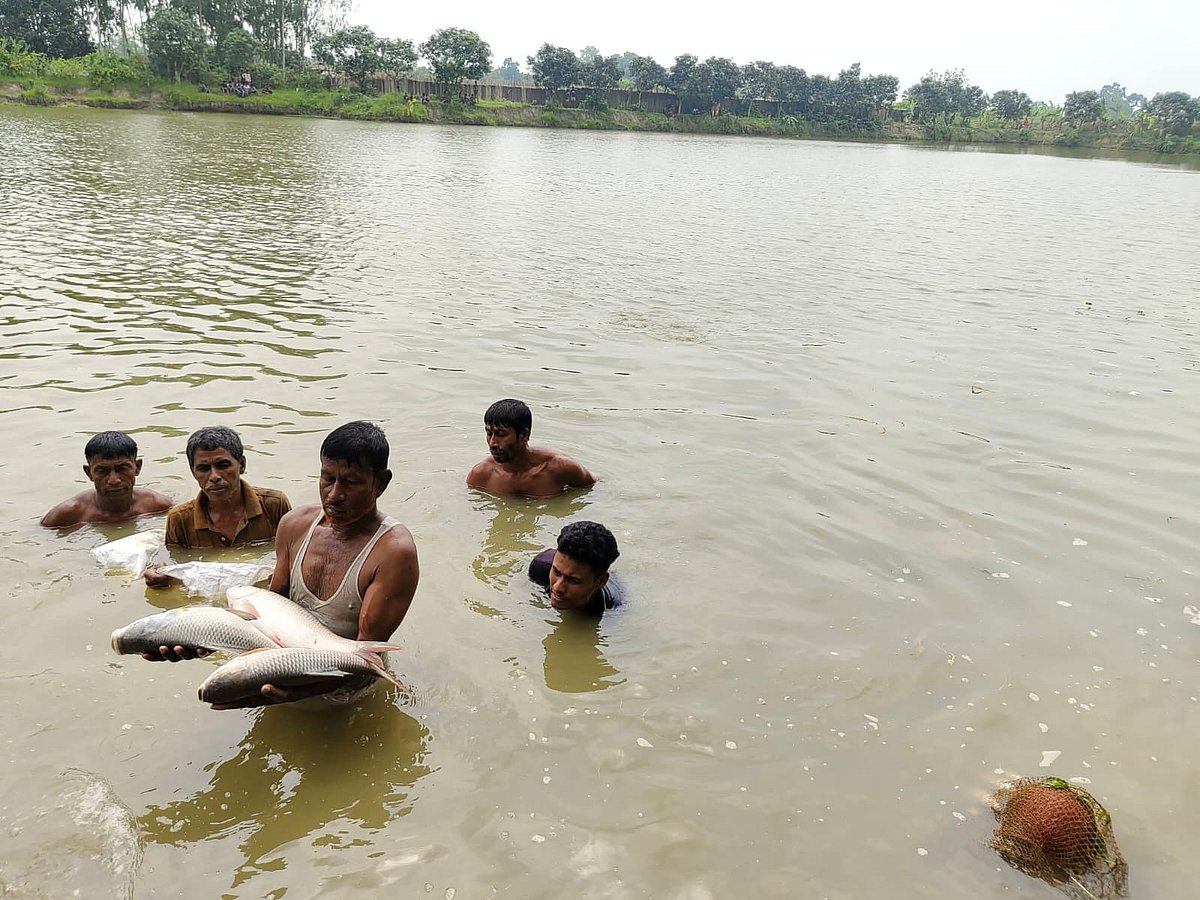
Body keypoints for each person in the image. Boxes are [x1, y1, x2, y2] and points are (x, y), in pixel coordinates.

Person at [143, 426, 291, 586]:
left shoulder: (274, 504)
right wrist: (160, 574)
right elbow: (175, 561)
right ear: (193, 472)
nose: (214, 476)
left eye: (222, 465)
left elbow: (293, 555)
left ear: (241, 465)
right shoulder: (179, 518)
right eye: (203, 468)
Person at [41, 431, 173, 527]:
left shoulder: (158, 506)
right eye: (102, 471)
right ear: (89, 473)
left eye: (122, 468)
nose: (114, 480)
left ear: (137, 467)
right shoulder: (69, 514)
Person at [467, 399, 595, 498]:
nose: (492, 443)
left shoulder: (560, 467)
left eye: (501, 434)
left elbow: (595, 488)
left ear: (524, 435)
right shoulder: (480, 475)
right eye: (489, 433)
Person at [528, 521, 622, 615]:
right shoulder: (539, 567)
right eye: (556, 572)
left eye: (573, 580)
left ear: (600, 581)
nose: (557, 587)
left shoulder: (611, 606)